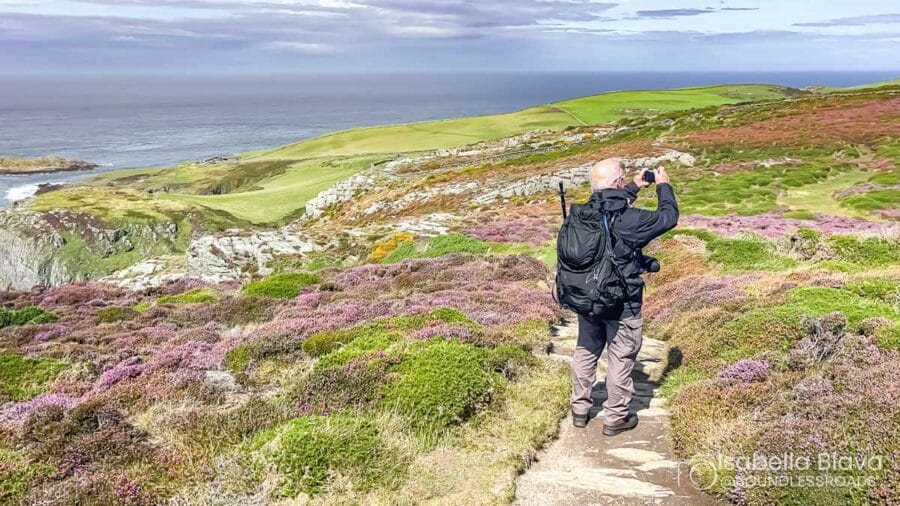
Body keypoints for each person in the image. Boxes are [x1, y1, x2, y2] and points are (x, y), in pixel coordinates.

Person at [570, 158, 679, 436]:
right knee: (620, 356)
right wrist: (663, 186)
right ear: (617, 183)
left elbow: (608, 204)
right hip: (622, 302)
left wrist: (633, 186)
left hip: (587, 297)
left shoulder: (580, 214)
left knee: (586, 350)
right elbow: (668, 218)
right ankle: (615, 417)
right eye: (622, 180)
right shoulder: (630, 220)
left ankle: (580, 409)